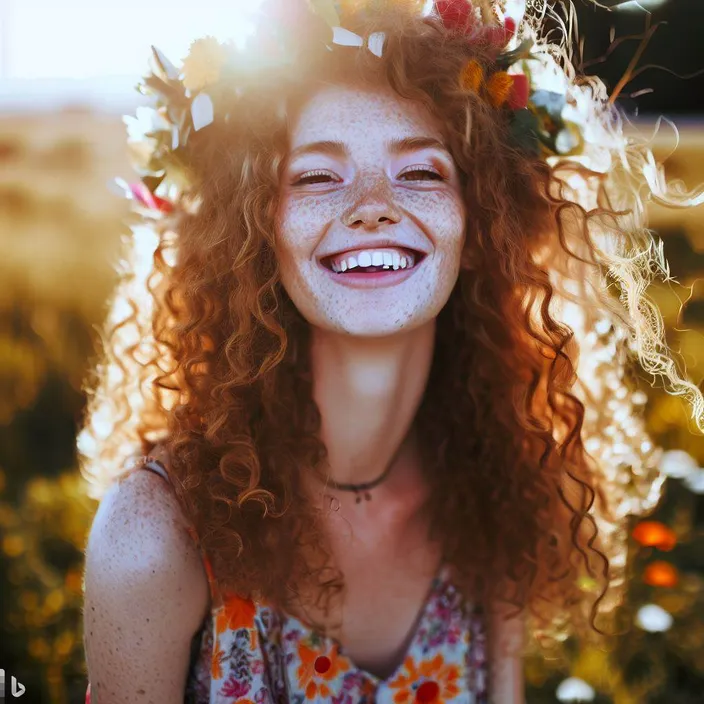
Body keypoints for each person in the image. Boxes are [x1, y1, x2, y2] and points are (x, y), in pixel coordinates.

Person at [79, 1, 704, 702]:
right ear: (256, 233)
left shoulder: (489, 492)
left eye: (422, 173)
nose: (373, 205)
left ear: (482, 227)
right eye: (316, 177)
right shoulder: (155, 537)